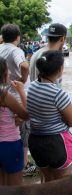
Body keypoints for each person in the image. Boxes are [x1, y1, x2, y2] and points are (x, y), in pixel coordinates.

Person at [27, 50, 72, 182]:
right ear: (60, 69)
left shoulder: (31, 88)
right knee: (62, 187)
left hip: (35, 142)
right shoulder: (58, 94)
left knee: (47, 183)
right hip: (57, 143)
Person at [0, 24, 30, 170]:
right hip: (16, 97)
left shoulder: (0, 48)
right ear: (18, 37)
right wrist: (23, 80)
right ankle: (23, 164)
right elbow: (24, 66)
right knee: (22, 135)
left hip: (3, 95)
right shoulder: (15, 50)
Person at [0, 57, 28, 186]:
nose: (10, 73)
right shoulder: (4, 96)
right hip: (9, 145)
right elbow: (27, 115)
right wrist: (21, 91)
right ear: (3, 73)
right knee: (15, 189)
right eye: (8, 70)